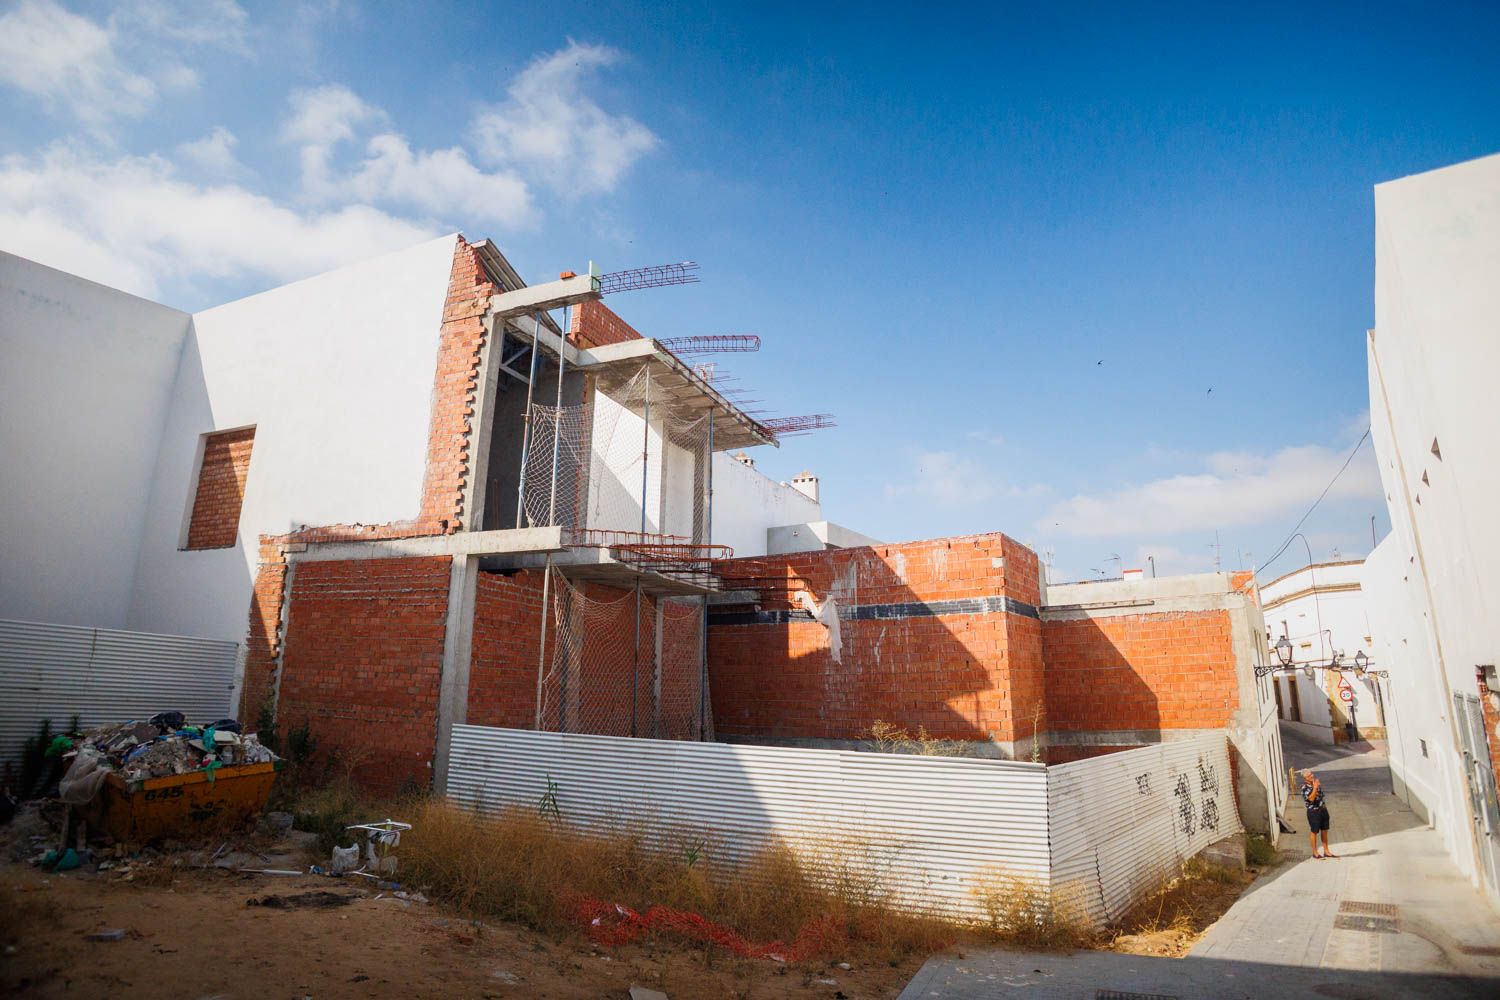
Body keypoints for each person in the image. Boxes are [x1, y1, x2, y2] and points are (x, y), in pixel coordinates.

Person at [1301, 768, 1337, 859]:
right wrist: (1315, 787)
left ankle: (1326, 851)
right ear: (1305, 778)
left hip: (1323, 810)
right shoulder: (1304, 788)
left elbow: (1321, 796)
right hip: (1313, 812)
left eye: (1311, 774)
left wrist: (1317, 787)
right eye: (1309, 776)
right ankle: (1315, 852)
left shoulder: (1315, 783)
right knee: (1314, 831)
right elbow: (1311, 799)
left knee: (1325, 830)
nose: (1311, 776)